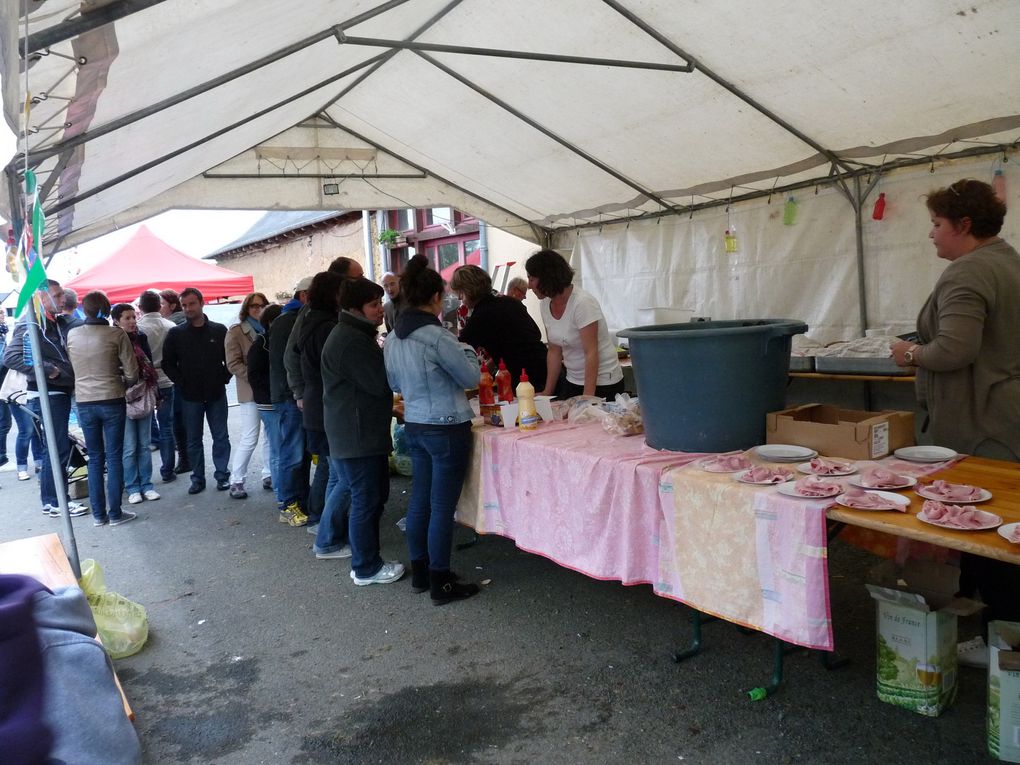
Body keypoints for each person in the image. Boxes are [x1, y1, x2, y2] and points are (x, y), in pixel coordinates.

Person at [890, 178, 1020, 665]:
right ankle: (990, 615)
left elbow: (954, 350)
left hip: (980, 418)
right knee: (1001, 524)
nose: (931, 235)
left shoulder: (968, 273)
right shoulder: (1008, 262)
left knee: (995, 532)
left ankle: (1001, 643)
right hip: (1004, 412)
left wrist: (910, 352)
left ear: (964, 226)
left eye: (936, 225)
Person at [384, 255, 480, 603]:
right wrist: (467, 349)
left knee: (421, 502)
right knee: (441, 506)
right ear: (437, 298)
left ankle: (422, 573)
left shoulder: (394, 338)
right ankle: (442, 580)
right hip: (447, 425)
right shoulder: (438, 338)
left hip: (416, 423)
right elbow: (471, 376)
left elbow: (393, 381)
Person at [323, 277, 400, 584]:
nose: (380, 309)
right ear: (354, 308)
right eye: (372, 305)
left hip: (356, 431)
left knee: (371, 496)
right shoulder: (351, 340)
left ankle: (366, 562)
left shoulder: (353, 334)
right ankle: (366, 567)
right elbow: (379, 383)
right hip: (356, 436)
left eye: (380, 302)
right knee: (365, 500)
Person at [3, 279, 87, 518]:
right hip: (47, 395)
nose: (63, 299)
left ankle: (54, 500)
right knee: (56, 449)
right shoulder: (30, 324)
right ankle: (55, 501)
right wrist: (50, 369)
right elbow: (11, 357)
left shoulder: (54, 322)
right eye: (58, 295)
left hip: (55, 394)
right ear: (41, 298)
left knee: (56, 449)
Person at [66, 291, 139, 527]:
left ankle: (99, 515)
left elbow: (71, 366)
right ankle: (116, 513)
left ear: (84, 309)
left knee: (95, 458)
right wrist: (123, 382)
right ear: (107, 310)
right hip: (111, 397)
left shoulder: (73, 334)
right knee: (114, 456)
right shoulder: (116, 334)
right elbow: (132, 371)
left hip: (85, 401)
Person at [296, 272, 353, 558]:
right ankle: (327, 539)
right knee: (345, 478)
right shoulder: (328, 326)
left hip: (316, 406)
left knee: (333, 472)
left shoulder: (309, 320)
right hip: (326, 407)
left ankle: (323, 525)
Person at [525, 249, 624, 399]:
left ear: (547, 277)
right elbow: (554, 351)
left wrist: (587, 397)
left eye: (532, 279)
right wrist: (547, 392)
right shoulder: (545, 304)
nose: (528, 285)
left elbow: (591, 352)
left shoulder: (582, 303)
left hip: (603, 382)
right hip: (573, 380)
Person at [162, 287, 232, 495]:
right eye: (184, 305)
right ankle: (197, 478)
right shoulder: (176, 333)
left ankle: (222, 475)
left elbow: (230, 359)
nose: (188, 308)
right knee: (193, 439)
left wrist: (224, 378)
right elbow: (168, 363)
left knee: (221, 436)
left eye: (192, 303)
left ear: (201, 303)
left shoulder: (219, 330)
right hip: (189, 395)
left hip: (216, 393)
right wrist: (181, 382)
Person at [283, 256, 364, 408]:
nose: (363, 283)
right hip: (320, 398)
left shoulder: (346, 309)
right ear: (342, 282)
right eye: (358, 278)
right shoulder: (312, 312)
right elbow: (291, 353)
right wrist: (299, 393)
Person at [451, 264, 547, 388]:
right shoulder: (511, 303)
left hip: (524, 378)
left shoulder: (480, 316)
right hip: (545, 367)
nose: (459, 298)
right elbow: (536, 333)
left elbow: (459, 350)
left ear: (469, 290)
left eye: (460, 293)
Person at [269, 278, 312, 527]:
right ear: (305, 295)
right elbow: (289, 362)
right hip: (290, 396)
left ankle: (299, 500)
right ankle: (287, 504)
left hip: (292, 394)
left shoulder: (291, 317)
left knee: (301, 452)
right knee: (293, 452)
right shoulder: (288, 320)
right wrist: (297, 394)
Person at [224, 292, 272, 499]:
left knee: (271, 435)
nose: (258, 309)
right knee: (250, 436)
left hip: (269, 390)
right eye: (254, 306)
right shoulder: (236, 331)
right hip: (251, 391)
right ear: (246, 308)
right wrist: (254, 377)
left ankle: (269, 474)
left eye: (262, 305)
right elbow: (233, 363)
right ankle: (236, 479)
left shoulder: (270, 328)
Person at [111, 303, 159, 505]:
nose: (132, 321)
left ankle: (147, 485)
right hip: (123, 398)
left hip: (143, 394)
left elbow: (149, 363)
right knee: (129, 446)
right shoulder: (112, 339)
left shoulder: (141, 337)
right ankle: (132, 487)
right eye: (127, 318)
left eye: (133, 317)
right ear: (116, 321)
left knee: (144, 444)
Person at [136, 290, 177, 482]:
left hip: (144, 382)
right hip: (167, 379)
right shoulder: (171, 326)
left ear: (140, 308)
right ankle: (168, 470)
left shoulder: (137, 328)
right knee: (167, 425)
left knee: (144, 428)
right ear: (159, 306)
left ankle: (143, 475)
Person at [247, 303, 282, 504]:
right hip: (268, 403)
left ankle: (284, 489)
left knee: (281, 448)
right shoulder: (261, 343)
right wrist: (271, 393)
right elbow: (254, 376)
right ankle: (281, 493)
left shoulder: (275, 341)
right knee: (277, 449)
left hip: (277, 400)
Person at [159, 289, 189, 473]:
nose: (159, 307)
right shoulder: (173, 324)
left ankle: (186, 459)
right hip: (177, 379)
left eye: (161, 304)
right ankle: (186, 458)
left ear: (172, 305)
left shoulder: (174, 325)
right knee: (178, 421)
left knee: (179, 421)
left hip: (177, 380)